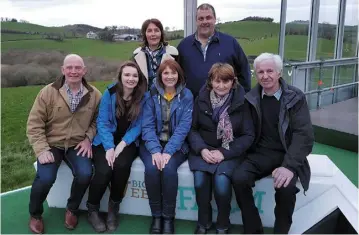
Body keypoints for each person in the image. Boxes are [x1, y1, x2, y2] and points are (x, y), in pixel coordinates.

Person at [232, 53, 315, 234]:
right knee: (239, 178)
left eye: (270, 71)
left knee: (286, 190)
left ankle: (281, 231)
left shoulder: (295, 97)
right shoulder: (251, 98)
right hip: (260, 154)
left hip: (287, 154)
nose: (265, 76)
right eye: (260, 72)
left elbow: (304, 136)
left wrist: (289, 166)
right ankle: (254, 229)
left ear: (279, 73)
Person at [26, 54, 102, 234]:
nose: (73, 71)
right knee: (45, 178)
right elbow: (34, 123)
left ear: (84, 71)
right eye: (69, 67)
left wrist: (88, 138)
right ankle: (35, 214)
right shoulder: (48, 92)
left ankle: (72, 209)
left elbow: (98, 121)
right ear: (62, 70)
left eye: (78, 68)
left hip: (78, 144)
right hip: (52, 143)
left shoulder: (94, 94)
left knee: (85, 173)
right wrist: (42, 149)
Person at [188, 63, 255, 234]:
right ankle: (204, 220)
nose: (221, 86)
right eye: (217, 81)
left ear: (233, 82)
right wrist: (202, 149)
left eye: (226, 81)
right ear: (211, 81)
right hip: (204, 150)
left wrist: (224, 153)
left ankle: (223, 223)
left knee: (222, 183)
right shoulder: (201, 99)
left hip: (230, 151)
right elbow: (193, 129)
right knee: (199, 181)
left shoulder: (243, 101)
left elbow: (248, 135)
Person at [86, 61, 148, 232]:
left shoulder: (144, 96)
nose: (131, 78)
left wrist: (122, 144)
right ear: (121, 76)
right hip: (105, 140)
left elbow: (139, 125)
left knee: (121, 166)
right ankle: (92, 209)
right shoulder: (110, 92)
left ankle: (114, 209)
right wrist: (109, 147)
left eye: (135, 75)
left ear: (139, 78)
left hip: (127, 142)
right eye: (127, 75)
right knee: (105, 169)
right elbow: (102, 122)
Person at [140, 59, 193, 234]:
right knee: (152, 168)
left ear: (179, 75)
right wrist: (156, 151)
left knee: (169, 169)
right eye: (166, 73)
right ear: (160, 76)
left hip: (177, 144)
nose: (170, 76)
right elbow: (147, 126)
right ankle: (156, 216)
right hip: (152, 142)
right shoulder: (150, 95)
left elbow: (184, 127)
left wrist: (168, 151)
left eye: (173, 72)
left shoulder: (187, 96)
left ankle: (168, 217)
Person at [177, 3, 251, 97]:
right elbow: (176, 75)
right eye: (201, 18)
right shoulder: (184, 46)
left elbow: (244, 72)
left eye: (208, 18)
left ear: (215, 19)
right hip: (192, 106)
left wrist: (244, 98)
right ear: (196, 21)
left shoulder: (230, 43)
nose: (204, 21)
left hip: (225, 107)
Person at [133, 18, 179, 90]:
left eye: (156, 30)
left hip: (166, 98)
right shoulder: (136, 55)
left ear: (161, 33)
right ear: (145, 34)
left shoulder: (173, 53)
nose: (153, 34)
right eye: (149, 31)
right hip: (143, 98)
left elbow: (180, 78)